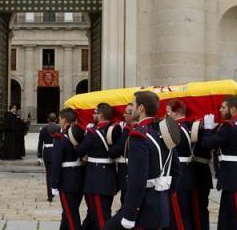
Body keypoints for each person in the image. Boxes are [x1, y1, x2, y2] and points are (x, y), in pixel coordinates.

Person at [105, 91, 174, 230]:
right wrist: (164, 194)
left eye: (134, 104)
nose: (132, 108)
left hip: (144, 208)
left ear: (141, 108)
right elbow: (176, 170)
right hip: (161, 202)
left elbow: (137, 180)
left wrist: (130, 215)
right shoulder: (162, 132)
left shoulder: (138, 136)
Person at [201, 96, 237, 230]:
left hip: (236, 179)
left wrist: (208, 129)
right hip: (234, 178)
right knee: (226, 220)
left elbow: (207, 144)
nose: (220, 110)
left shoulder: (229, 127)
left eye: (223, 107)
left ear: (233, 109)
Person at [75, 102, 117, 230]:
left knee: (100, 216)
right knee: (101, 212)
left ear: (101, 115)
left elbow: (81, 150)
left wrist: (75, 144)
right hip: (108, 177)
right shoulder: (115, 129)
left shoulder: (93, 133)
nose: (93, 115)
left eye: (95, 113)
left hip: (96, 179)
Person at [50, 108, 85, 230]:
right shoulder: (81, 134)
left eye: (59, 119)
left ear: (64, 120)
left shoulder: (60, 138)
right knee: (69, 212)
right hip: (80, 180)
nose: (59, 122)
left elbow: (56, 163)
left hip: (66, 182)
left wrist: (54, 183)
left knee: (71, 217)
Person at [166, 99, 197, 230]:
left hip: (179, 175)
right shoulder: (190, 126)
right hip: (189, 172)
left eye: (168, 112)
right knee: (186, 213)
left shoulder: (176, 129)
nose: (166, 115)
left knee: (178, 215)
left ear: (176, 113)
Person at [38, 112, 58, 202]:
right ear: (56, 120)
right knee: (56, 173)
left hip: (47, 153)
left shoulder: (44, 130)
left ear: (48, 120)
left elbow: (40, 143)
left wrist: (39, 155)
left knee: (48, 174)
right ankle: (54, 192)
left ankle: (50, 195)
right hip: (57, 152)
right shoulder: (59, 129)